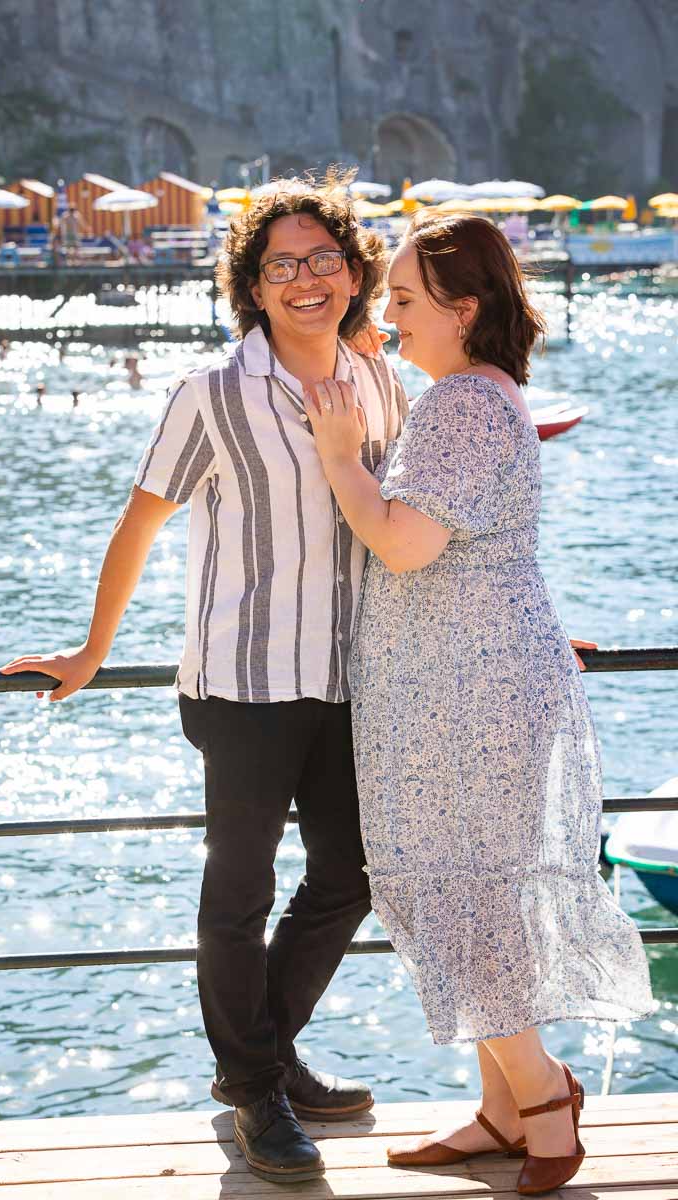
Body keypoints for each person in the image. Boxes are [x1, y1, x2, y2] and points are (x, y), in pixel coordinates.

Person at [0, 172, 408, 1186]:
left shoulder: (375, 381)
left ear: (354, 274)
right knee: (236, 895)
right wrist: (91, 651)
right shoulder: (211, 394)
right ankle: (259, 1089)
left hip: (351, 678)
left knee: (351, 874)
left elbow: (406, 525)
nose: (306, 280)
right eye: (282, 267)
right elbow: (140, 522)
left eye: (323, 260)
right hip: (241, 684)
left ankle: (260, 1062)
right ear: (254, 288)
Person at [303, 210, 655, 1197]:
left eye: (405, 300)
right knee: (462, 896)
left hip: (468, 698)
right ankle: (501, 1110)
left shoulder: (461, 404)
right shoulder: (476, 397)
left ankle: (543, 1106)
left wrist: (338, 455)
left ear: (461, 309)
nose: (387, 315)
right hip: (462, 689)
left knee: (453, 897)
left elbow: (407, 544)